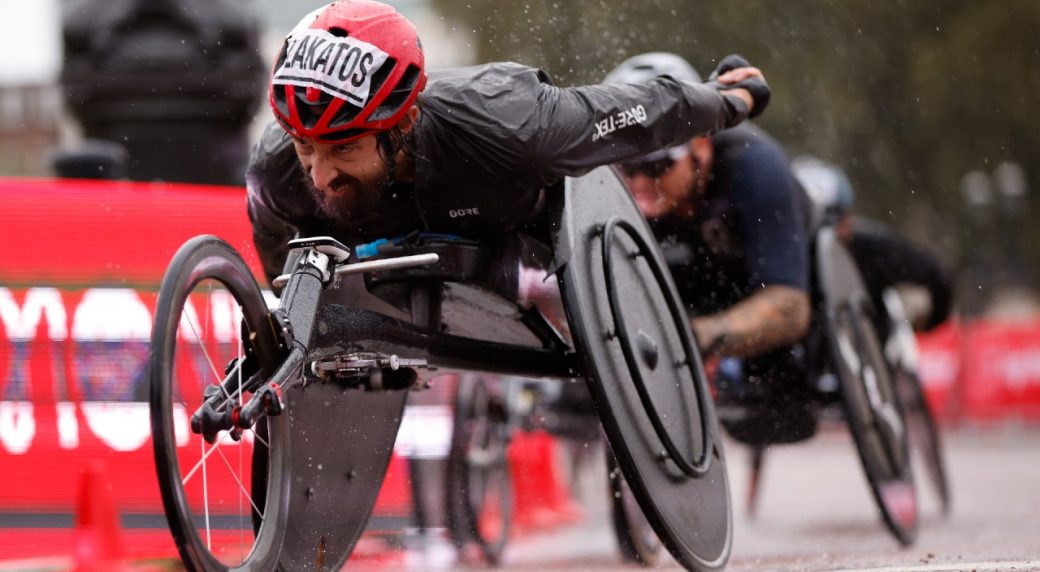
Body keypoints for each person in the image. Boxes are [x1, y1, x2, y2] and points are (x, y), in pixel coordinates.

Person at [245, 0, 772, 294]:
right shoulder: (274, 172)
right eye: (306, 148)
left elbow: (634, 113)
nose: (319, 175)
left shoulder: (510, 122)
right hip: (383, 262)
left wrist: (727, 101)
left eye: (343, 150)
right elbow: (276, 271)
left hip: (513, 230)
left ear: (403, 118)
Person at [604, 52, 815, 445]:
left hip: (772, 279)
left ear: (699, 146)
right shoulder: (634, 194)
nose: (638, 186)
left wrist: (692, 337)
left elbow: (790, 309)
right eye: (626, 168)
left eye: (654, 167)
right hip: (692, 280)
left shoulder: (754, 164)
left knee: (783, 403)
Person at [791, 156, 953, 337]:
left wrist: (927, 324)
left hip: (873, 346)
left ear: (847, 220)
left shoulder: (871, 248)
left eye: (831, 225)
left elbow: (937, 276)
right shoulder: (785, 261)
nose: (821, 243)